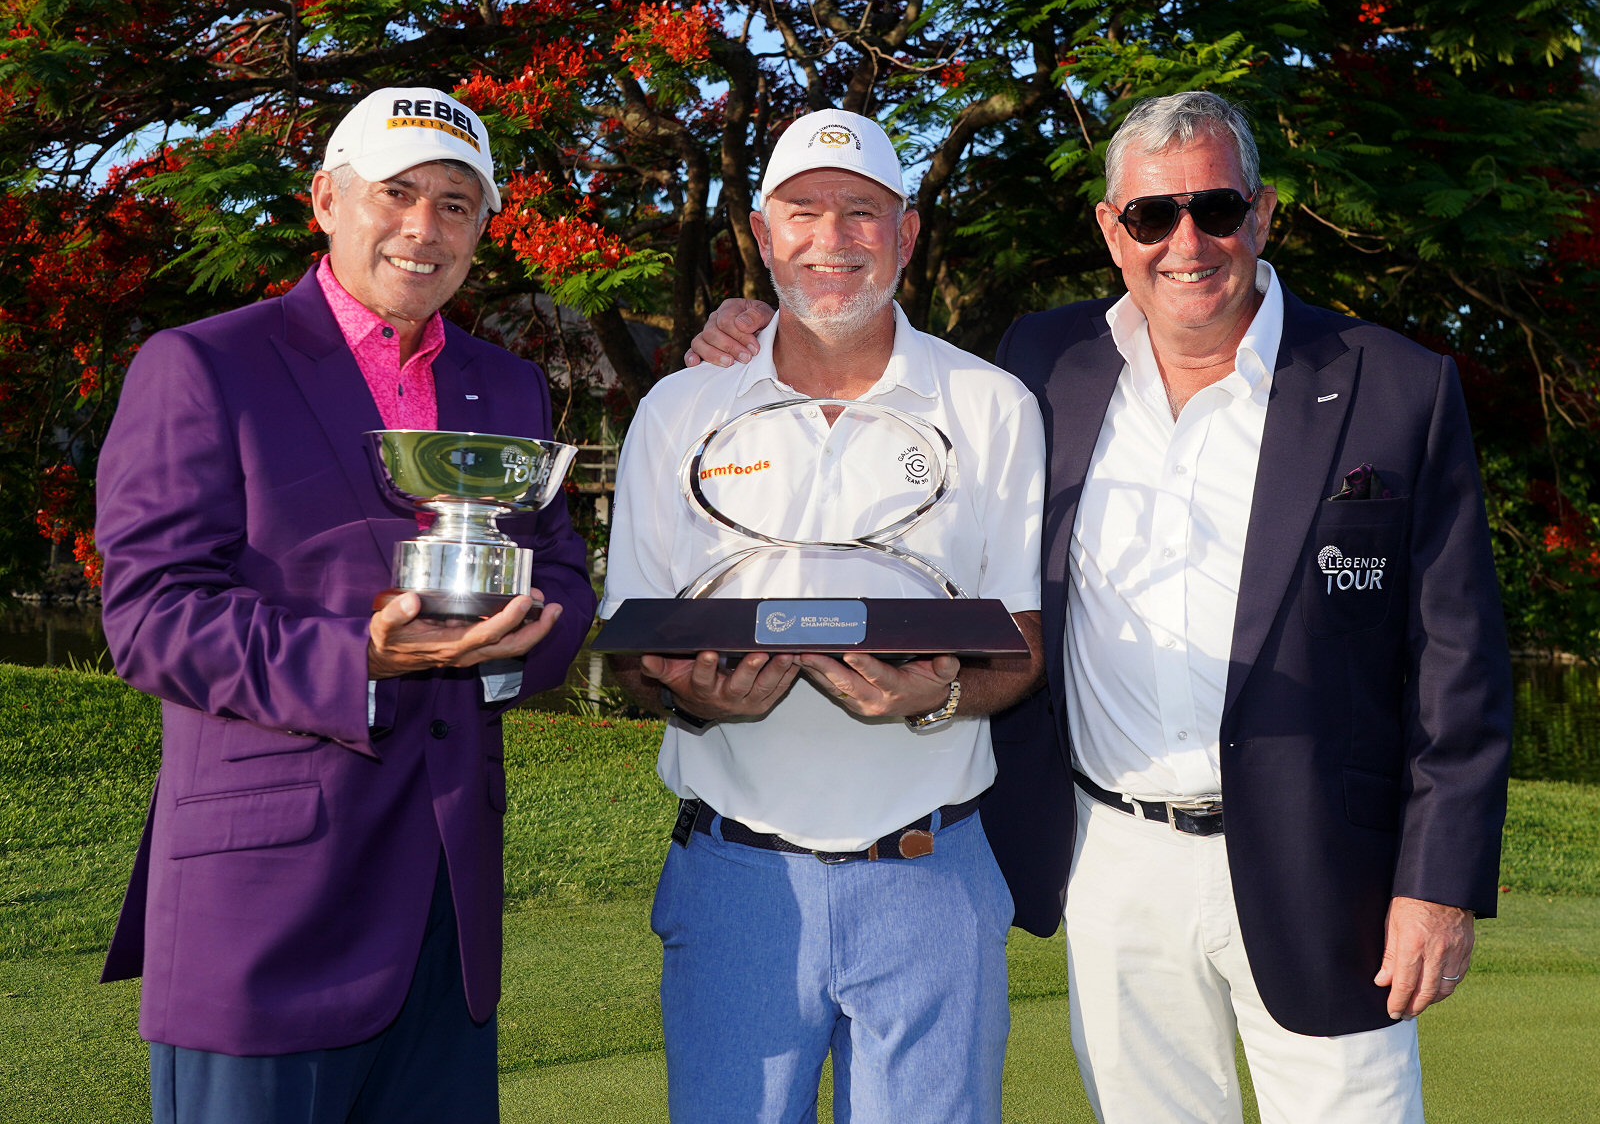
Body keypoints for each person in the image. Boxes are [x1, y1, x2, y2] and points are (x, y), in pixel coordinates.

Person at [686, 91, 1513, 1123]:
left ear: (1259, 216)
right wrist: (768, 328)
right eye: (1151, 216)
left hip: (1327, 872)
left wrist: (1435, 886)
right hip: (1111, 861)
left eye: (1213, 209)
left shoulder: (1394, 385)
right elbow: (893, 380)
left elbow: (1459, 667)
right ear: (1110, 231)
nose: (1186, 243)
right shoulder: (1047, 362)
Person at [95, 86, 596, 1124]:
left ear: (482, 230)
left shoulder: (506, 387)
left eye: (456, 205)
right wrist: (361, 657)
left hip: (448, 911)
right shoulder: (202, 364)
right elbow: (150, 616)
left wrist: (500, 647)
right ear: (326, 199)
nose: (424, 227)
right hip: (264, 916)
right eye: (397, 193)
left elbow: (561, 581)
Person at [600, 107, 1046, 1124]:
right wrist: (696, 701)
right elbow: (633, 644)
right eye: (802, 213)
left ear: (907, 232)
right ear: (761, 235)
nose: (832, 240)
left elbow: (1018, 645)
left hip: (931, 873)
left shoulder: (991, 406)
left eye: (862, 213)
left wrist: (938, 698)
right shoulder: (679, 410)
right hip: (734, 875)